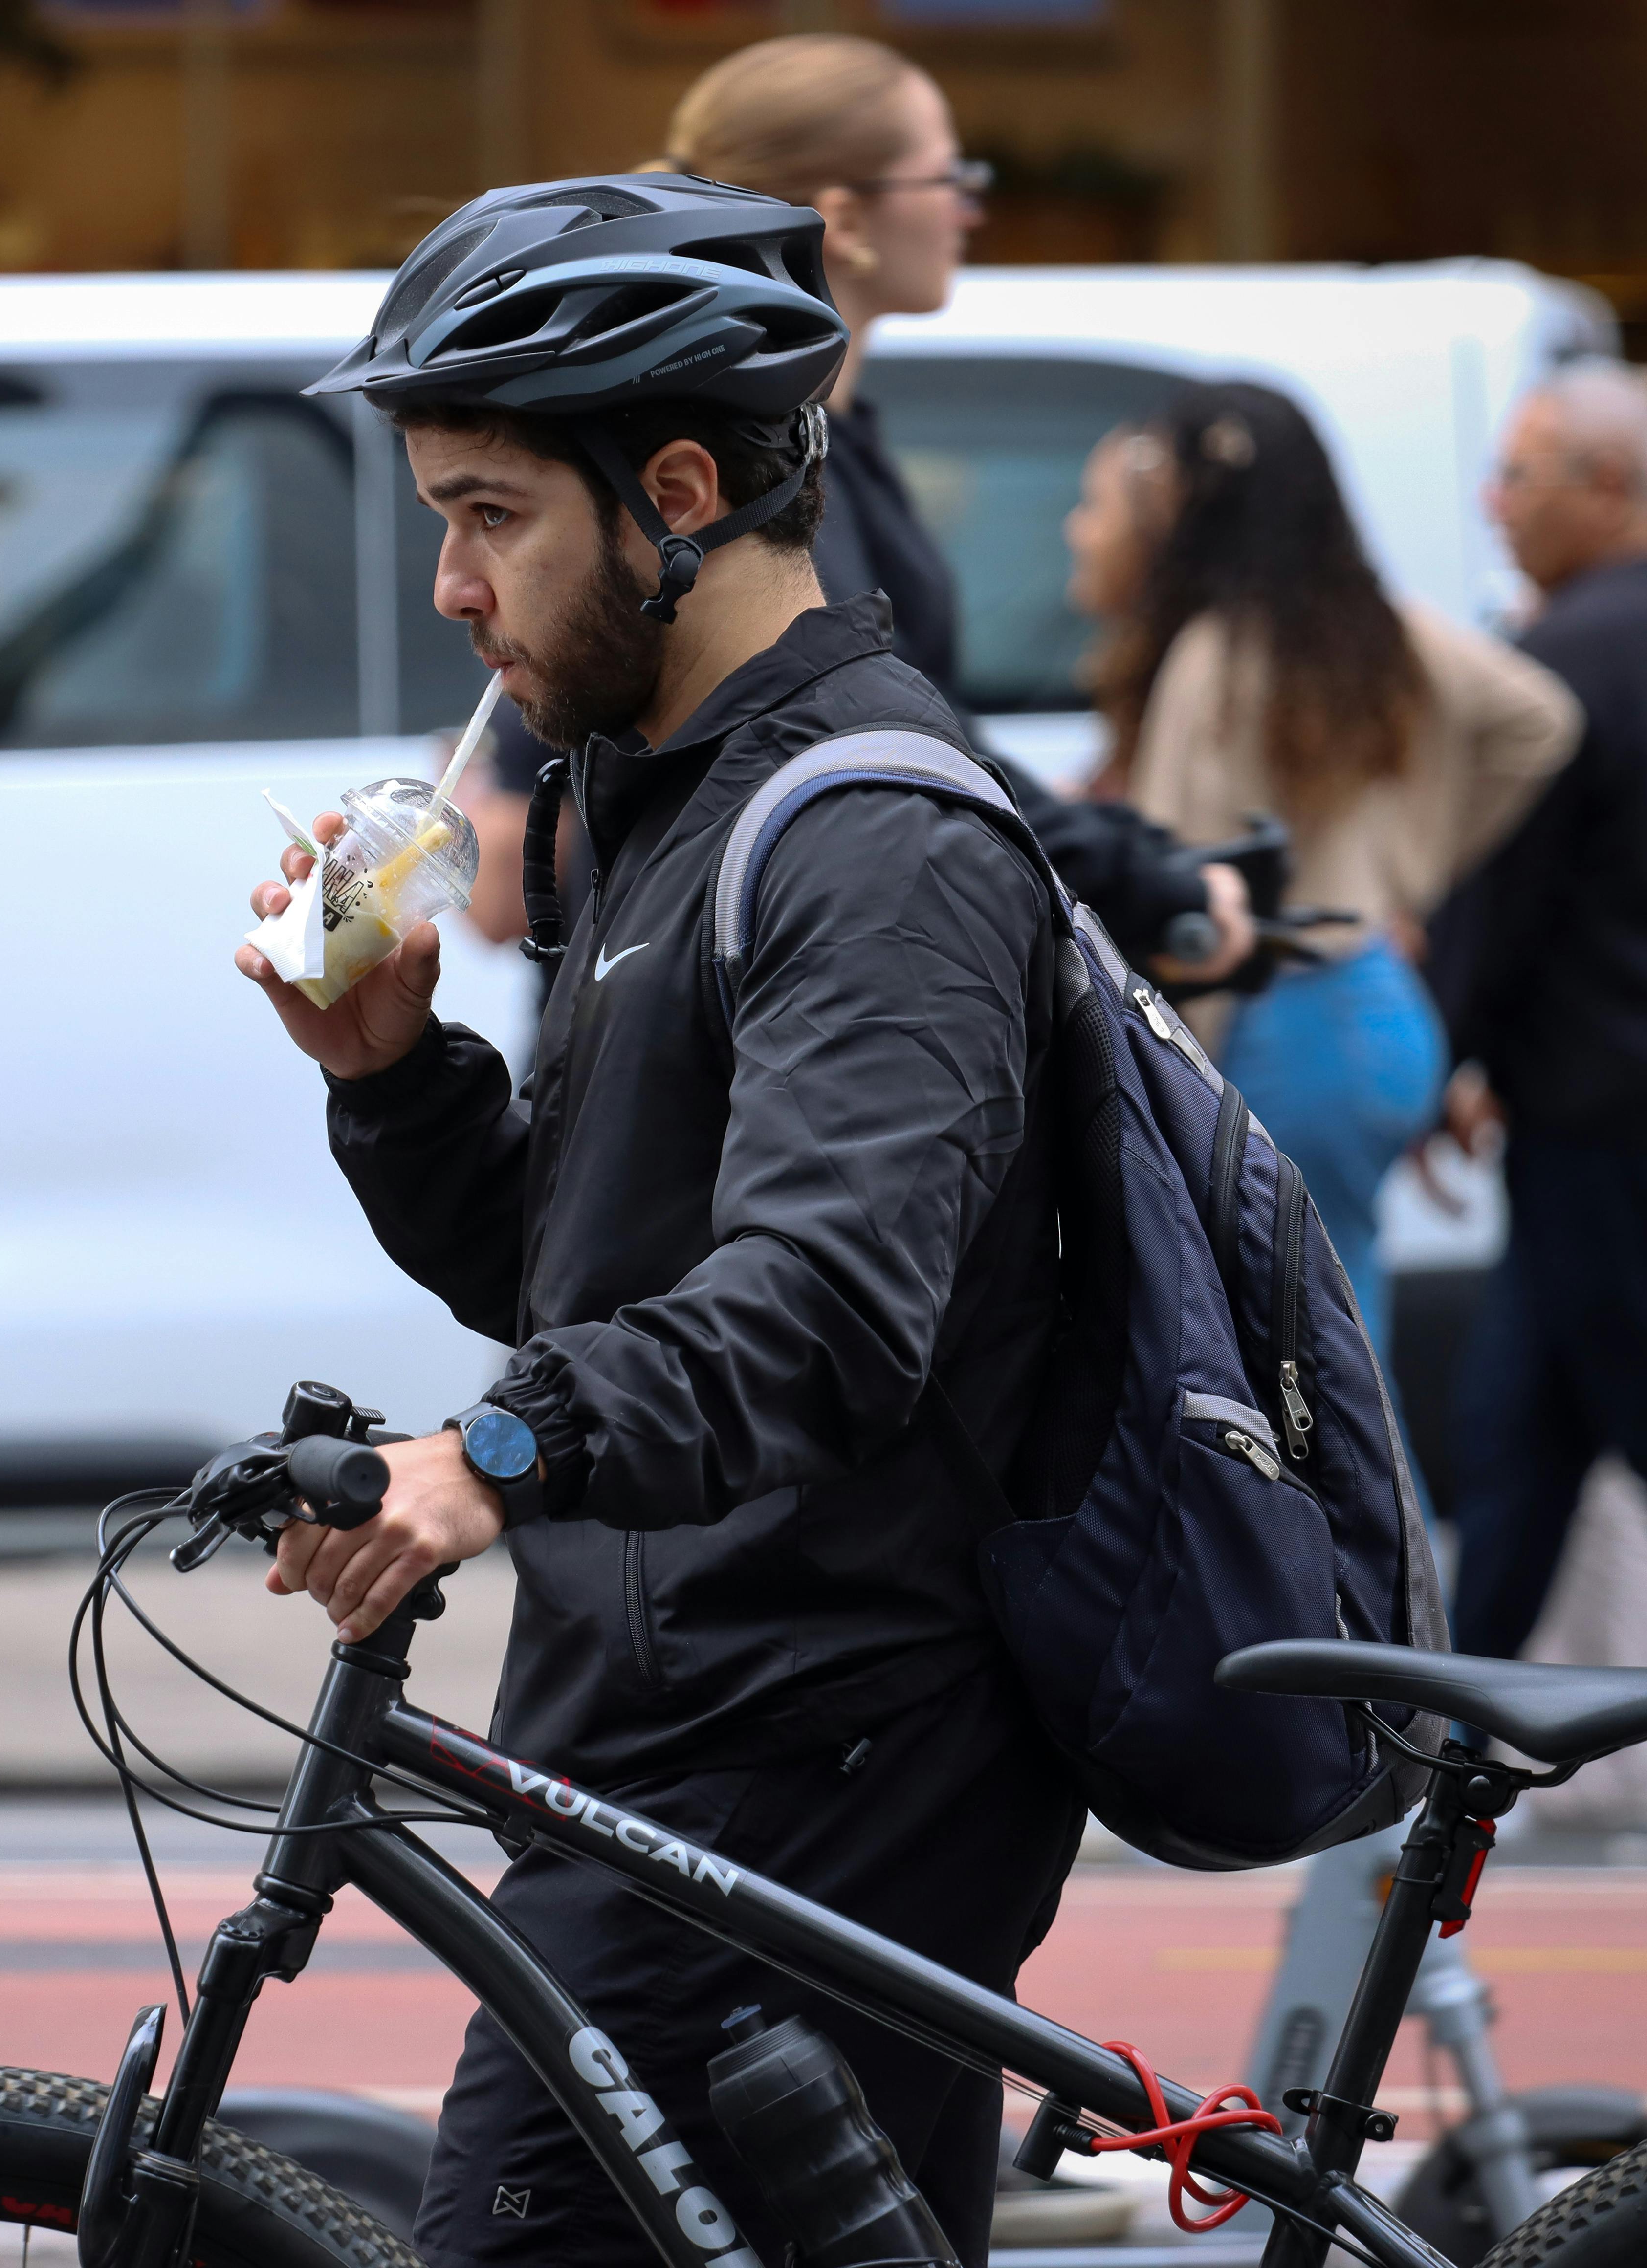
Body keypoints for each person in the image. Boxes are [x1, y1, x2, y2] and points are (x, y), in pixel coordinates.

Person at [241, 174, 1085, 2268]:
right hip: (677, 1718)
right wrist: (391, 1070)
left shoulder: (866, 831)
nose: (448, 584)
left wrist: (488, 1455)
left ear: (679, 489)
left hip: (815, 1738)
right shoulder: (665, 787)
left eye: (487, 512)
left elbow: (817, 1316)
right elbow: (592, 1271)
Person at [635, 31, 1253, 989]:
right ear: (843, 217)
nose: (969, 207)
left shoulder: (835, 438)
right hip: (776, 984)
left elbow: (927, 733)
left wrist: (1138, 860)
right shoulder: (762, 468)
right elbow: (901, 745)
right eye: (946, 176)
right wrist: (1144, 876)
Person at [1065, 380, 1577, 1352]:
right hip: (1379, 1010)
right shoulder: (1370, 622)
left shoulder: (1214, 654)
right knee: (1343, 1339)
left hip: (1280, 1025)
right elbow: (1536, 720)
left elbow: (1186, 899)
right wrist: (1408, 873)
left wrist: (1167, 1085)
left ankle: (1374, 1514)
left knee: (1305, 1370)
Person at [1426, 360, 1647, 1660]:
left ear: (1606, 489)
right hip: (1594, 1112)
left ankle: (1426, 1788)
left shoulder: (1565, 658)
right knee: (1521, 1446)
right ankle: (1433, 1785)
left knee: (1572, 1417)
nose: (1493, 500)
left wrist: (1436, 1057)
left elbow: (1495, 898)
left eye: (1519, 474)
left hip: (1598, 1118)